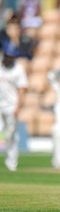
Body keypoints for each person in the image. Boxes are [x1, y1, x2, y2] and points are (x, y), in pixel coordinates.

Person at [0, 42, 28, 171]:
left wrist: (18, 107)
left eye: (12, 56)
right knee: (2, 133)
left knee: (11, 135)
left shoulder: (18, 69)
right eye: (8, 56)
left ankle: (11, 163)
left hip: (11, 106)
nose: (10, 58)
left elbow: (22, 89)